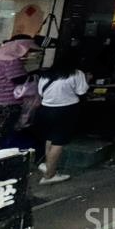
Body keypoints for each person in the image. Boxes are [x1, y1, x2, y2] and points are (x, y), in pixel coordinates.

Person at [35, 54, 90, 184]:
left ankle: (49, 165)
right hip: (66, 110)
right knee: (59, 142)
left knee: (50, 139)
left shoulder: (46, 75)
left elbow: (41, 93)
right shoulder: (76, 74)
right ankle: (49, 175)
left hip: (46, 109)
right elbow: (82, 92)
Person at [0, 34, 37, 148]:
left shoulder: (1, 59)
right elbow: (19, 79)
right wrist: (35, 75)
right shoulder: (11, 61)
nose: (28, 52)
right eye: (27, 49)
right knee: (0, 132)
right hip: (7, 102)